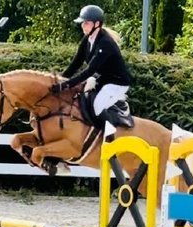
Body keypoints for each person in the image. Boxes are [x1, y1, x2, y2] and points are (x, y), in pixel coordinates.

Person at [54, 6, 133, 139]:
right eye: (82, 23)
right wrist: (60, 79)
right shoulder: (87, 40)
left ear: (97, 24)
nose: (83, 26)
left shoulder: (105, 43)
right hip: (104, 80)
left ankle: (110, 139)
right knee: (81, 99)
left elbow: (90, 70)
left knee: (97, 106)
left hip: (118, 82)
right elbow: (76, 63)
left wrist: (68, 84)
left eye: (86, 23)